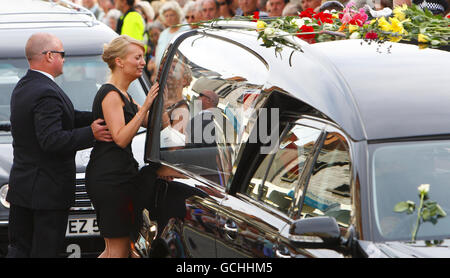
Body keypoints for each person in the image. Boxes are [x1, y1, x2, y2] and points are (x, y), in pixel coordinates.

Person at [7, 32, 112, 258]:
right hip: (46, 193)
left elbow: (66, 116)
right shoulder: (45, 91)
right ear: (49, 56)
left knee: (20, 250)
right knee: (45, 252)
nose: (64, 60)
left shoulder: (24, 85)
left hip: (24, 189)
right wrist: (92, 133)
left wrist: (99, 115)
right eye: (62, 55)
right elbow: (51, 140)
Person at [85, 35, 181, 258]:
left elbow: (159, 124)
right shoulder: (110, 94)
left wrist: (159, 103)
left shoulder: (124, 95)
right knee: (117, 250)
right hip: (110, 180)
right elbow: (120, 138)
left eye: (143, 57)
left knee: (114, 250)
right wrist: (145, 105)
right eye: (137, 57)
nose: (142, 62)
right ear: (119, 61)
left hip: (118, 177)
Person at [154, 1, 190, 70]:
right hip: (161, 73)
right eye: (166, 16)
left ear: (178, 15)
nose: (169, 18)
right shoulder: (163, 34)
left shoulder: (186, 30)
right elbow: (158, 54)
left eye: (172, 15)